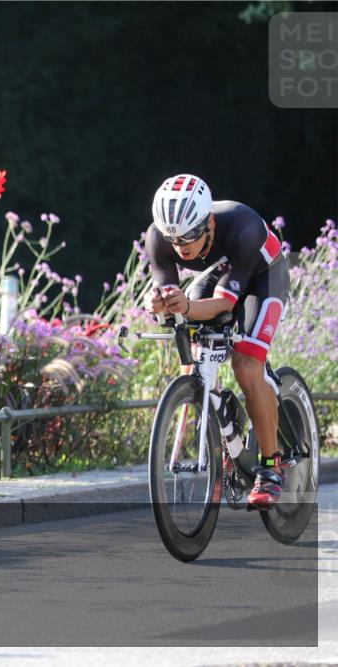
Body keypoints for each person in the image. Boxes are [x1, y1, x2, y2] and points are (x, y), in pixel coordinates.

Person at [144, 174, 291, 508]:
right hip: (221, 272)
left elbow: (224, 304)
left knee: (246, 365)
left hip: (264, 277)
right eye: (172, 238)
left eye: (189, 236)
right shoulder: (158, 237)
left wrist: (186, 307)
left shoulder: (243, 226)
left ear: (208, 223)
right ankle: (224, 427)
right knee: (193, 360)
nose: (180, 246)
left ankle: (271, 468)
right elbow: (168, 299)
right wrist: (159, 306)